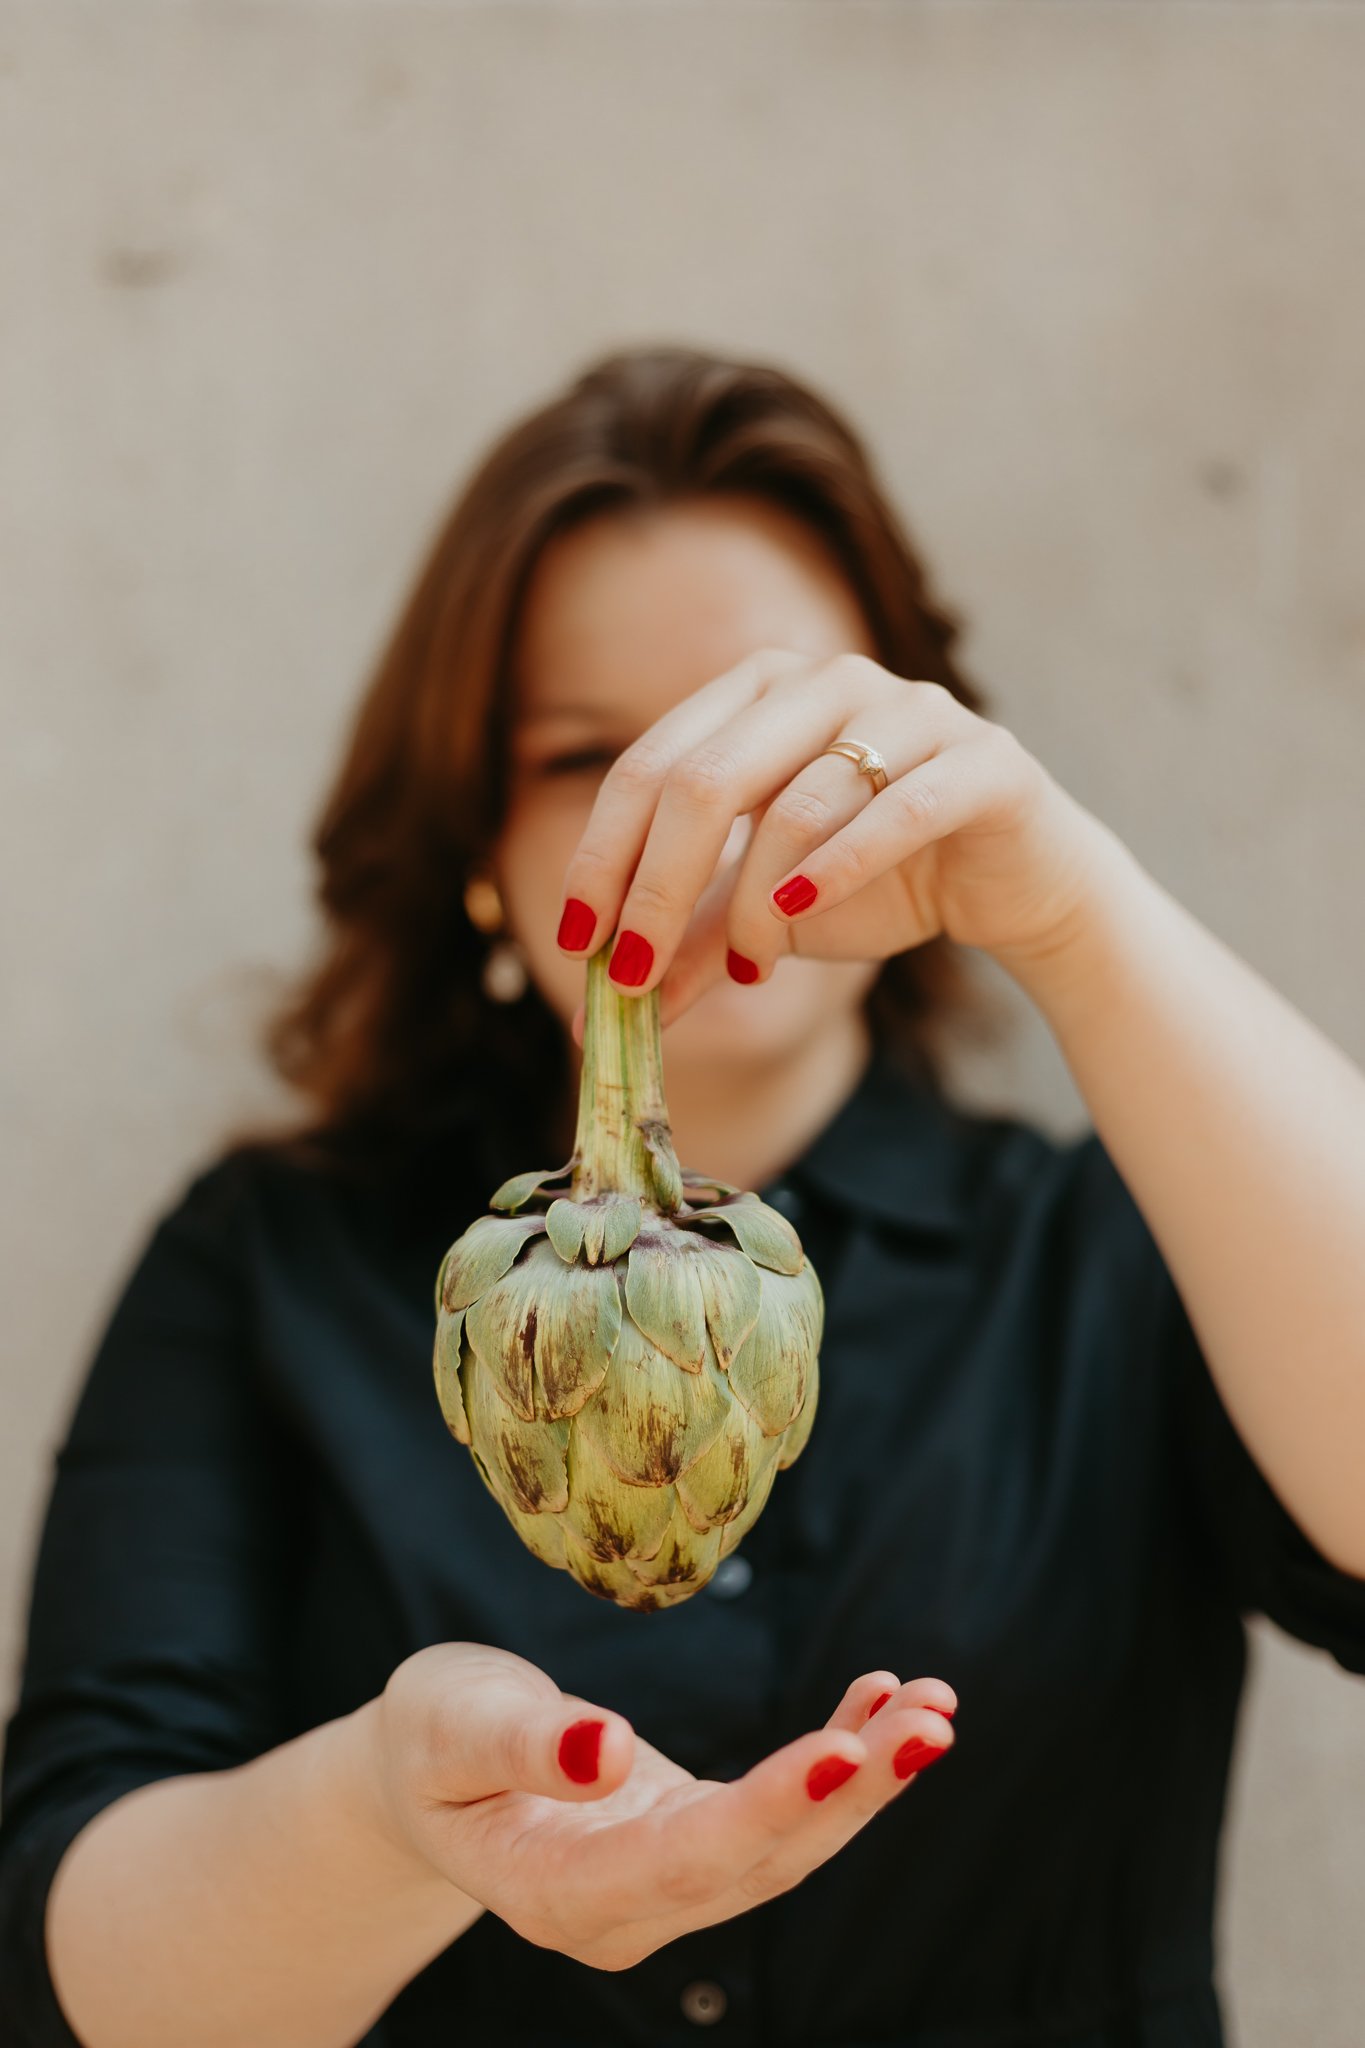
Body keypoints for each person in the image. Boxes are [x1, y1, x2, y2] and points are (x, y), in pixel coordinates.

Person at [2, 344, 1363, 2048]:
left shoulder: (1124, 1241)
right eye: (589, 754)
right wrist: (378, 1820)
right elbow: (74, 1969)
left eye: (773, 723)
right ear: (471, 848)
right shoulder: (269, 1256)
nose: (694, 805)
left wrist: (1070, 916)